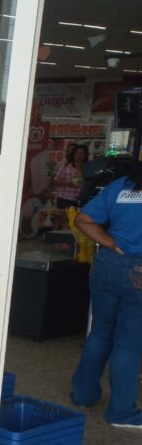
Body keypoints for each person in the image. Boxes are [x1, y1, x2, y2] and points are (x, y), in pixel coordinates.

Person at [70, 164, 142, 429]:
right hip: (138, 271)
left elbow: (82, 220)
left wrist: (111, 243)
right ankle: (121, 412)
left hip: (107, 264)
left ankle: (83, 395)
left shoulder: (121, 185)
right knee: (128, 344)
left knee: (100, 332)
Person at [53, 144, 88, 209]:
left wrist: (85, 184)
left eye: (82, 153)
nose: (79, 155)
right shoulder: (65, 167)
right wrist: (67, 183)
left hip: (82, 199)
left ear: (85, 155)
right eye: (77, 153)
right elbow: (55, 181)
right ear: (73, 154)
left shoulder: (88, 168)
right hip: (65, 198)